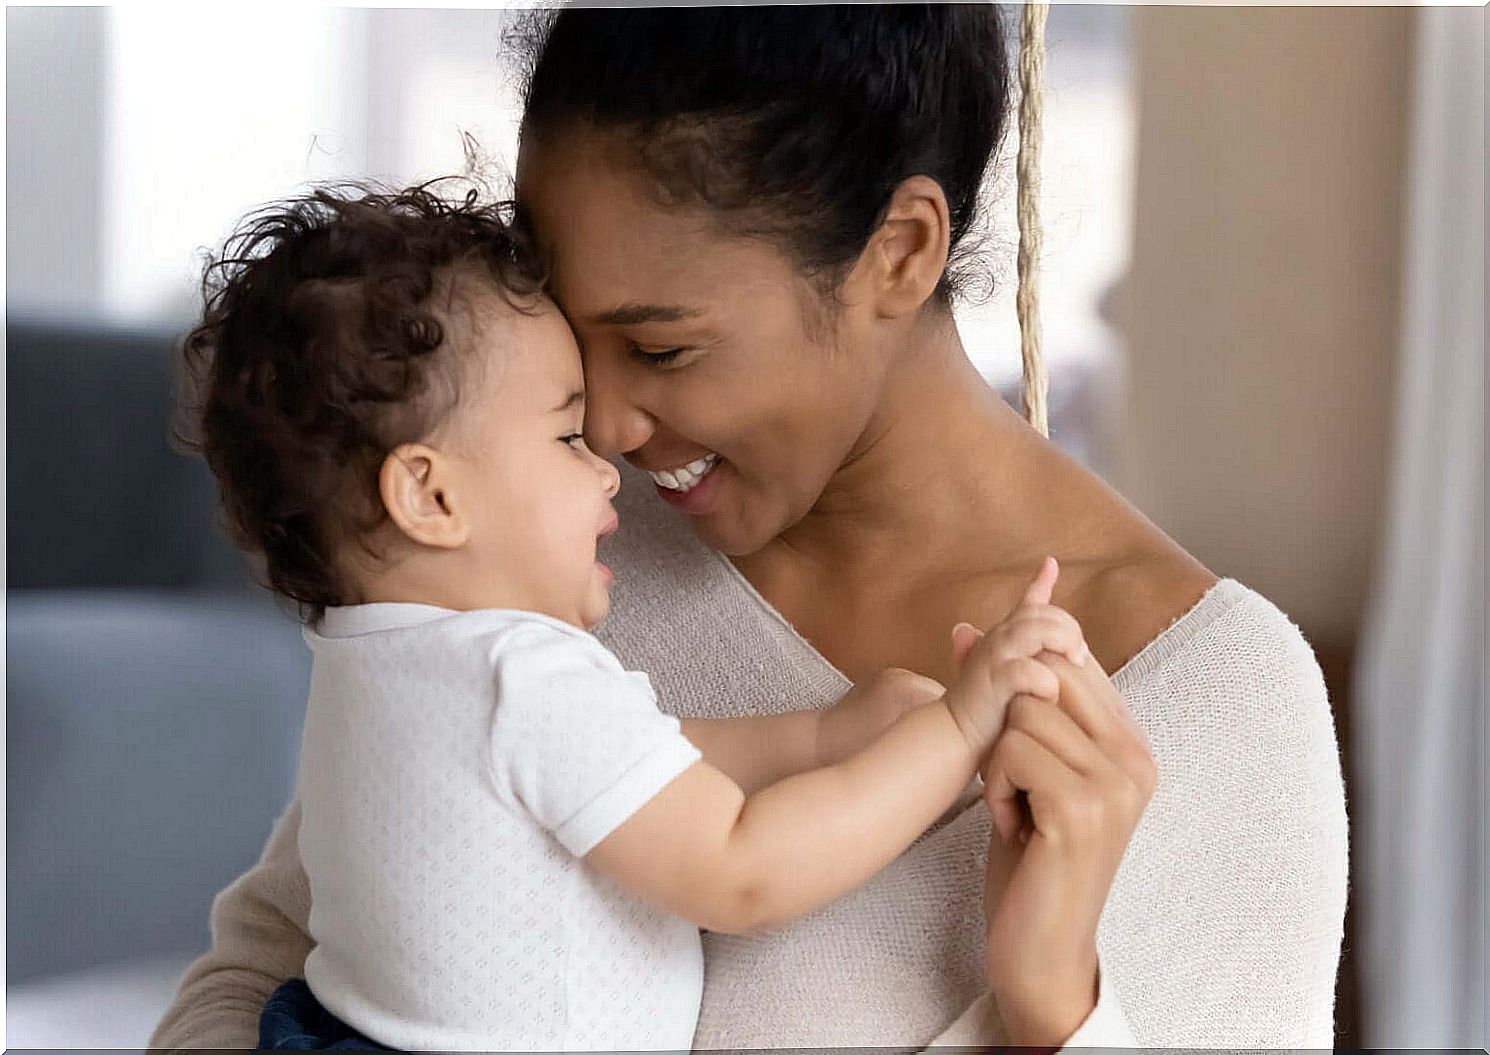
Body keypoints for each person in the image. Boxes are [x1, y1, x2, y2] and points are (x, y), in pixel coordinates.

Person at [152, 6, 1348, 1049]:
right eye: (573, 351)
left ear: (901, 252)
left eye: (662, 348)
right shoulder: (529, 553)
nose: (610, 426)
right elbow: (264, 967)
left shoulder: (1213, 698)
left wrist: (1055, 1013)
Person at [175, 182, 1093, 1051]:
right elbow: (743, 867)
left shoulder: (374, 665)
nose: (609, 461)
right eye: (567, 434)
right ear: (429, 492)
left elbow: (636, 760)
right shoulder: (517, 673)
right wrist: (958, 728)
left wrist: (826, 734)